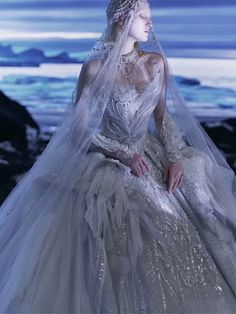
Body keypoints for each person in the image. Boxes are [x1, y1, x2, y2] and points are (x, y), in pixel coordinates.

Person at [0, 0, 236, 313]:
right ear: (123, 18)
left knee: (188, 209)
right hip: (111, 160)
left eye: (150, 18)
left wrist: (176, 157)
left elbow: (163, 118)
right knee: (129, 218)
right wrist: (122, 153)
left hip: (150, 153)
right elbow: (78, 131)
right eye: (143, 17)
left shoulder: (155, 63)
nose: (150, 24)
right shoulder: (94, 69)